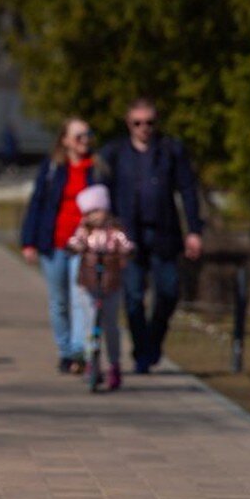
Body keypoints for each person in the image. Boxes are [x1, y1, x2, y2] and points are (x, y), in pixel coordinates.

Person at [98, 97, 204, 374]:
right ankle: (142, 350)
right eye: (138, 123)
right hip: (129, 236)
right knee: (133, 296)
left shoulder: (170, 151)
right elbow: (101, 193)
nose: (144, 128)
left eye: (149, 123)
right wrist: (106, 228)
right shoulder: (115, 153)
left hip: (163, 233)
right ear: (128, 124)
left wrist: (194, 230)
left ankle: (153, 343)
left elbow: (188, 190)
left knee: (168, 291)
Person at [19, 117, 99, 373]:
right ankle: (65, 350)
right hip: (53, 243)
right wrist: (28, 242)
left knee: (81, 298)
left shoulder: (96, 168)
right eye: (78, 136)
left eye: (87, 135)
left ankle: (78, 352)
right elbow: (37, 203)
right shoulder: (53, 167)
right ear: (65, 141)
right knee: (59, 301)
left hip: (84, 245)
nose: (84, 141)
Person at [67, 184, 134, 390]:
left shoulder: (115, 231)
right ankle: (90, 362)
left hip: (110, 282)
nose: (94, 216)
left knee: (110, 325)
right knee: (89, 324)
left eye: (97, 210)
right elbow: (74, 241)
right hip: (88, 281)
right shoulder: (84, 230)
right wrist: (76, 245)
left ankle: (114, 363)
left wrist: (126, 250)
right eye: (89, 212)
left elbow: (126, 244)